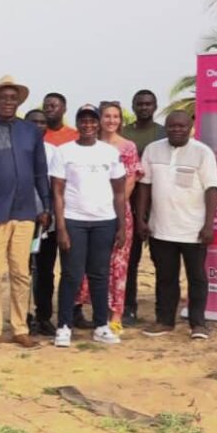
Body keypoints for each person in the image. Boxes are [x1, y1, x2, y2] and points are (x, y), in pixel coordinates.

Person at [0, 76, 50, 350]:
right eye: (3, 97)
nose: (8, 102)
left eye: (13, 98)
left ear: (18, 102)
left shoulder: (31, 132)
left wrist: (46, 206)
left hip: (26, 212)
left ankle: (19, 329)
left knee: (20, 272)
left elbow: (40, 172)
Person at [137, 111, 217, 340]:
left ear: (190, 127)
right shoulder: (153, 150)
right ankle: (164, 321)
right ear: (166, 127)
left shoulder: (202, 153)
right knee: (165, 277)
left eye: (181, 126)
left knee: (196, 278)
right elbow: (145, 185)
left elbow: (212, 189)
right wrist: (141, 219)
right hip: (160, 228)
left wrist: (209, 225)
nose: (176, 129)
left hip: (194, 230)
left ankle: (198, 323)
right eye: (172, 126)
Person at [51, 105, 127, 348]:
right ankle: (63, 326)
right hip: (74, 221)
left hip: (104, 221)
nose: (88, 125)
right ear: (77, 123)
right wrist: (61, 227)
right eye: (83, 121)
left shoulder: (109, 152)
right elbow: (58, 192)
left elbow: (119, 192)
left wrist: (122, 225)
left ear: (98, 124)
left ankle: (101, 326)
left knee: (99, 274)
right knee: (71, 274)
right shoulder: (64, 152)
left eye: (92, 121)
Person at [74, 102, 142, 336]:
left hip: (119, 212)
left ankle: (116, 315)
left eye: (115, 116)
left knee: (118, 265)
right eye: (107, 116)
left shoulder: (128, 147)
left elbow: (130, 180)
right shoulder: (87, 145)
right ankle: (93, 312)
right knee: (90, 264)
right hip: (90, 212)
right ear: (98, 119)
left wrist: (116, 207)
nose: (111, 120)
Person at [121, 89, 166, 325]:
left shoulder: (163, 133)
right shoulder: (124, 133)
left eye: (148, 104)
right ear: (133, 106)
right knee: (130, 261)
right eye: (139, 104)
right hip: (130, 204)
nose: (144, 108)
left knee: (162, 261)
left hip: (160, 205)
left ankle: (163, 309)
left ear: (155, 106)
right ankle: (129, 307)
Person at [39, 92, 82, 327]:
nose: (50, 109)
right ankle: (43, 316)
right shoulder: (36, 135)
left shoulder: (74, 137)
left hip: (71, 211)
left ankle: (73, 312)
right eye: (46, 105)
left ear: (64, 108)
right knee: (43, 269)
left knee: (72, 267)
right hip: (44, 213)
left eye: (54, 105)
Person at [24, 109, 56, 336]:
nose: (38, 126)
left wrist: (48, 212)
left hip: (47, 222)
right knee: (21, 271)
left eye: (42, 122)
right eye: (33, 122)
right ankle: (23, 317)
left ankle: (44, 316)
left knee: (45, 271)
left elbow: (58, 187)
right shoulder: (16, 150)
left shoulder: (55, 152)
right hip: (21, 220)